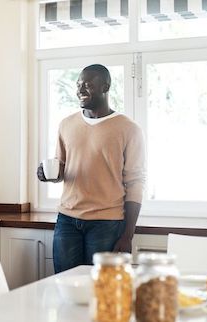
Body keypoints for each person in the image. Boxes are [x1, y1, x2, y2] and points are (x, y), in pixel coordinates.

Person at [38, 64, 145, 273]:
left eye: (88, 85)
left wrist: (127, 235)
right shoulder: (66, 124)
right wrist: (48, 175)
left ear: (105, 86)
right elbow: (61, 168)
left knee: (100, 289)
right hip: (67, 220)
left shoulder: (129, 128)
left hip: (107, 223)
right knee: (63, 283)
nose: (80, 90)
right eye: (78, 85)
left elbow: (135, 182)